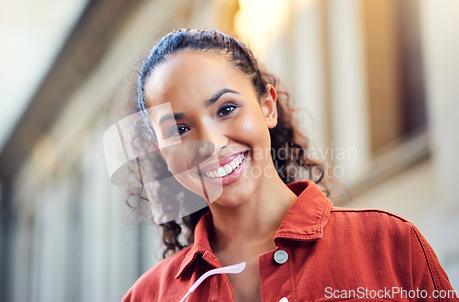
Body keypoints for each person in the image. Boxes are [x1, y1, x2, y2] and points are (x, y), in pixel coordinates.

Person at [117, 28, 457, 301]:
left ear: (267, 106)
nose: (212, 144)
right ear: (160, 151)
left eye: (226, 109)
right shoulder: (148, 296)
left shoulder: (390, 245)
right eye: (179, 130)